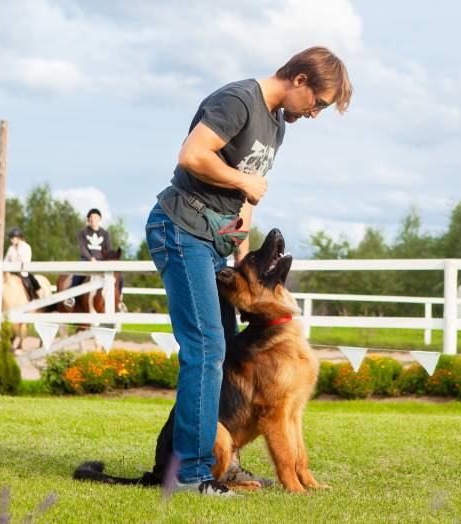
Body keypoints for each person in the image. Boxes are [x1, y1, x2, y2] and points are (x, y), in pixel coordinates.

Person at [145, 46, 352, 496]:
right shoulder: (240, 100)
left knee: (222, 354)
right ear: (299, 80)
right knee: (206, 349)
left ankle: (213, 461)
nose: (314, 114)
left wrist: (244, 259)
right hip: (180, 228)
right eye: (317, 102)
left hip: (215, 241)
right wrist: (244, 181)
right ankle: (190, 474)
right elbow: (193, 155)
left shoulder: (277, 123)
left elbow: (245, 203)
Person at [65, 208, 125, 309]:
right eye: (91, 217)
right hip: (87, 260)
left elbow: (108, 249)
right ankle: (72, 297)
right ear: (88, 219)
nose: (93, 219)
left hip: (102, 261)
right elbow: (82, 247)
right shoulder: (82, 233)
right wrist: (90, 258)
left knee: (120, 276)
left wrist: (107, 260)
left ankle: (120, 299)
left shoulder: (105, 234)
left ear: (99, 219)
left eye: (95, 217)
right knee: (77, 275)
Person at [5, 228, 40, 300]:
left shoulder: (26, 247)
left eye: (12, 238)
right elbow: (5, 261)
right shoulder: (10, 248)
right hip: (11, 272)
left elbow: (26, 260)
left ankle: (33, 297)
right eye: (10, 238)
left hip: (22, 272)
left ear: (18, 237)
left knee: (29, 284)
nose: (11, 240)